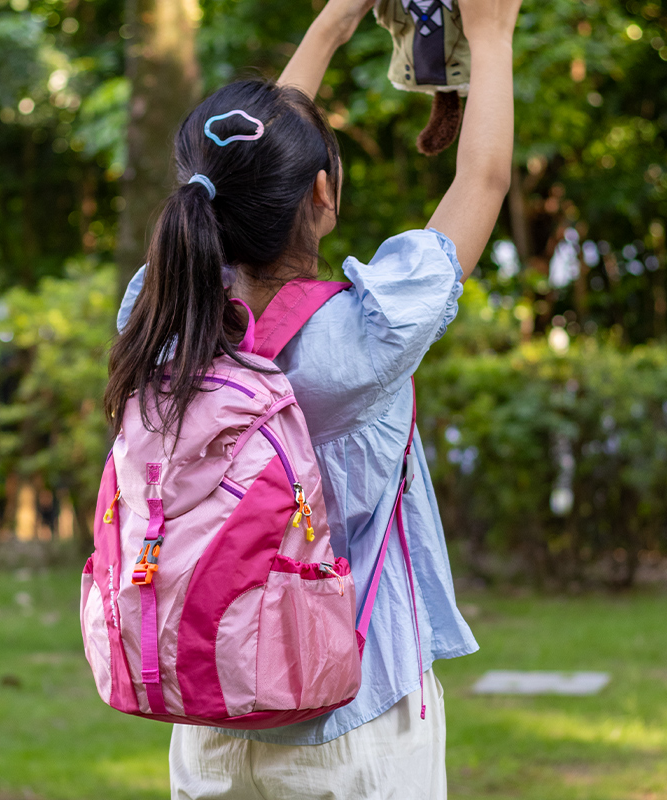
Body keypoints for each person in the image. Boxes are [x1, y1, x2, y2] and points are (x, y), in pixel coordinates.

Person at [110, 0, 522, 796]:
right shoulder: (362, 338)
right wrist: (492, 32)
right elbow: (483, 180)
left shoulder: (159, 321)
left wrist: (331, 24)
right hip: (354, 721)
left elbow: (250, 164)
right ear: (324, 194)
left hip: (211, 722)